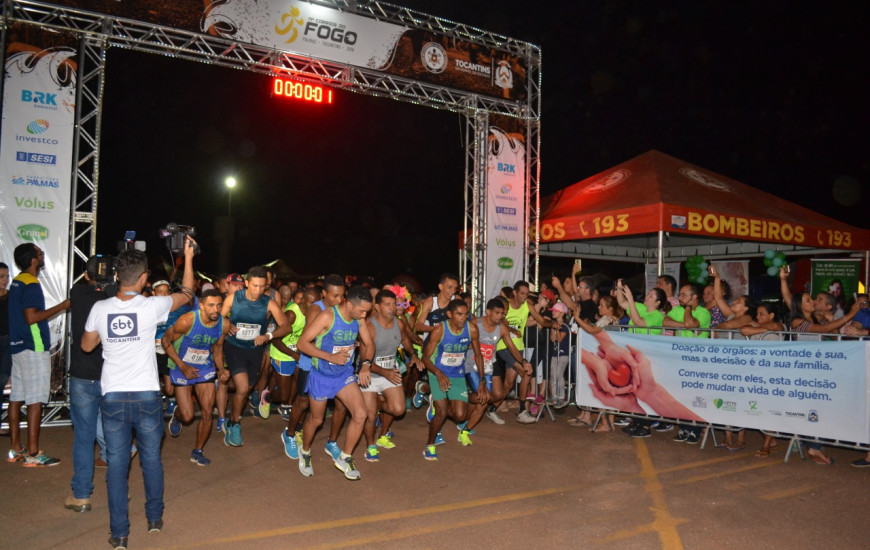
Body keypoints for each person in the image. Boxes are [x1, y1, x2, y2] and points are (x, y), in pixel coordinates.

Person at [81, 237, 196, 550]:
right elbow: (186, 294)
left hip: (115, 396)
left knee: (117, 465)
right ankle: (155, 518)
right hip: (146, 395)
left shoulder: (100, 308)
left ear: (117, 276)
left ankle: (119, 535)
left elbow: (87, 346)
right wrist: (187, 257)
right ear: (144, 278)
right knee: (151, 460)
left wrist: (110, 337)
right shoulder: (151, 305)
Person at [296, 285, 374, 480]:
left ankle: (345, 457)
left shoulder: (359, 319)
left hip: (343, 375)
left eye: (367, 311)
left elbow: (369, 343)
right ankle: (304, 451)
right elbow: (302, 343)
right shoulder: (327, 317)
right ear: (349, 304)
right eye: (362, 310)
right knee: (317, 420)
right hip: (321, 375)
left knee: (360, 414)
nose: (365, 314)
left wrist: (365, 365)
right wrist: (329, 356)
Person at [7, 243, 70, 467]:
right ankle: (33, 454)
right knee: (36, 400)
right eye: (40, 253)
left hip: (18, 345)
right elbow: (32, 318)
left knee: (17, 397)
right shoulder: (31, 283)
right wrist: (63, 306)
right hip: (33, 347)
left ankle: (16, 449)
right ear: (33, 260)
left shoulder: (17, 281)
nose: (42, 256)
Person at [217, 266, 290, 447]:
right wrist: (226, 322)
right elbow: (216, 319)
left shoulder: (269, 303)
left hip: (255, 351)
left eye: (262, 287)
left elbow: (286, 326)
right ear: (247, 283)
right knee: (242, 389)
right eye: (254, 286)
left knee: (246, 389)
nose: (258, 291)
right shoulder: (233, 298)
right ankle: (234, 424)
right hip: (234, 347)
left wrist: (268, 336)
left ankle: (231, 418)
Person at [161, 288, 230, 466]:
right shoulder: (187, 321)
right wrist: (182, 365)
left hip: (204, 367)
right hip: (180, 365)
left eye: (219, 305)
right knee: (188, 416)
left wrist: (221, 368)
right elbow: (165, 342)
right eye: (211, 305)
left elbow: (217, 348)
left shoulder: (224, 324)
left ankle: (197, 451)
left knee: (207, 412)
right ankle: (177, 415)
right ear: (201, 305)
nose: (216, 309)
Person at [280, 278, 344, 462]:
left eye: (342, 296)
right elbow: (309, 340)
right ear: (324, 294)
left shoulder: (340, 309)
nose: (339, 300)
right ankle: (289, 434)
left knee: (340, 404)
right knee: (303, 402)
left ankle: (331, 442)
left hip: (333, 365)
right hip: (311, 362)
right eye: (335, 296)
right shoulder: (316, 310)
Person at [359, 289, 422, 461]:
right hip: (370, 374)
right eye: (387, 304)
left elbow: (405, 340)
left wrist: (413, 354)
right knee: (370, 416)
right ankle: (371, 446)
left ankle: (379, 413)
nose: (392, 308)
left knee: (398, 409)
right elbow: (364, 362)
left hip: (390, 372)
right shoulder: (369, 327)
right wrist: (384, 372)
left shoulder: (399, 323)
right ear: (377, 307)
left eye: (394, 304)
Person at [421, 299, 487, 460]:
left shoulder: (472, 329)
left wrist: (482, 381)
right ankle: (430, 446)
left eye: (465, 314)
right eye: (459, 314)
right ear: (450, 314)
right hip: (437, 372)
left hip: (457, 373)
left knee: (460, 416)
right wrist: (438, 373)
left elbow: (478, 355)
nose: (463, 318)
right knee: (442, 412)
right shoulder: (439, 330)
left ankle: (426, 391)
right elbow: (425, 358)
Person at [490, 280, 552, 424]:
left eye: (527, 294)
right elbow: (500, 322)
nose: (524, 296)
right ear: (515, 292)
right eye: (522, 293)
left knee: (509, 383)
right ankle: (522, 411)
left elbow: (541, 322)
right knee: (526, 372)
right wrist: (511, 330)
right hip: (504, 346)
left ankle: (492, 408)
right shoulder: (505, 305)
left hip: (518, 348)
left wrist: (553, 324)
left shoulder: (528, 305)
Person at [0, 262, 11, 436]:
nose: (5, 280)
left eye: (7, 276)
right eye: (2, 276)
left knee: (2, 383)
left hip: (8, 342)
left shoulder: (11, 296)